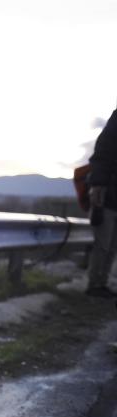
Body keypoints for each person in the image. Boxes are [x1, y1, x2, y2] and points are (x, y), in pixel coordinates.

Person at [85, 107, 117, 298]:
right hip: (106, 194)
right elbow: (102, 153)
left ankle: (101, 284)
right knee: (103, 244)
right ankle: (94, 285)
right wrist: (97, 186)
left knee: (112, 245)